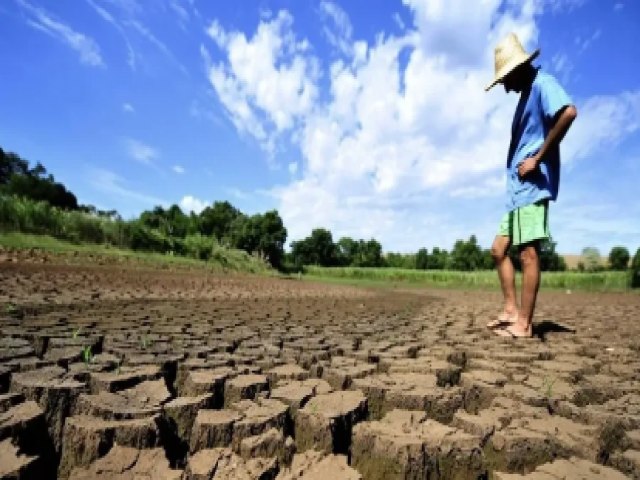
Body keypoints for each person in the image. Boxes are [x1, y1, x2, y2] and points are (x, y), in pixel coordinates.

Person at [485, 33, 577, 338]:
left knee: (528, 254)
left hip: (532, 186)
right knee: (498, 250)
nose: (505, 87)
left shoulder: (542, 84)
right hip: (516, 191)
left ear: (516, 69)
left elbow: (568, 112)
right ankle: (511, 310)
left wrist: (538, 158)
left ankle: (524, 325)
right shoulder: (526, 93)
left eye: (504, 80)